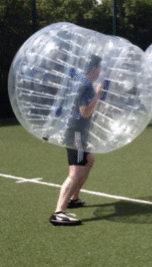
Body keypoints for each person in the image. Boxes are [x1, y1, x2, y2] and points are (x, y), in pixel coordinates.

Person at [50, 55, 104, 226]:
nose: (100, 71)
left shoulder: (78, 83)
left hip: (76, 132)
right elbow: (85, 112)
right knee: (74, 173)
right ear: (94, 69)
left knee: (89, 159)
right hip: (77, 135)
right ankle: (58, 212)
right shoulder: (86, 87)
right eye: (99, 68)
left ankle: (73, 198)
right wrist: (97, 95)